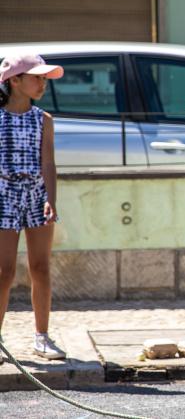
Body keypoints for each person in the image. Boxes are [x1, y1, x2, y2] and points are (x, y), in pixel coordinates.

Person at [0, 53, 67, 362]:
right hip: (3, 192)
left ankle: (42, 337)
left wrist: (50, 199)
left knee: (40, 267)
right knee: (4, 271)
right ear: (14, 80)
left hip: (36, 193)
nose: (43, 83)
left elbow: (49, 163)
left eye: (44, 78)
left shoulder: (43, 119)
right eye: (37, 77)